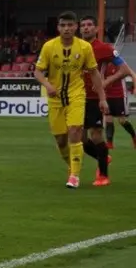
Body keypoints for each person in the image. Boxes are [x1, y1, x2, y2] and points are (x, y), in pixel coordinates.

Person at [34, 11, 108, 189]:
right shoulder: (49, 47)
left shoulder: (84, 47)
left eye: (70, 25)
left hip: (76, 95)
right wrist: (47, 84)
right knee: (61, 140)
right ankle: (71, 166)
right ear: (58, 27)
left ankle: (75, 175)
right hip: (55, 99)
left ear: (76, 27)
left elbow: (94, 73)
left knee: (75, 130)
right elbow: (37, 71)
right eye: (63, 25)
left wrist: (102, 98)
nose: (66, 29)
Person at [79, 16, 129, 185]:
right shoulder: (75, 48)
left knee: (96, 135)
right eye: (83, 25)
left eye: (89, 25)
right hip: (77, 98)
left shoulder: (104, 48)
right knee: (79, 139)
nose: (86, 28)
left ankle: (103, 176)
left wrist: (105, 82)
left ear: (96, 28)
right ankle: (103, 157)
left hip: (94, 99)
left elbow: (123, 70)